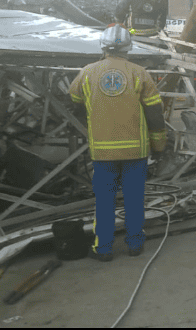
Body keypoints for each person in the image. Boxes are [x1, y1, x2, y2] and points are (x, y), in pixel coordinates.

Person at [68, 24, 166, 262]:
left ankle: (103, 249)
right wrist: (160, 145)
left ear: (103, 45)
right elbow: (154, 112)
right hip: (135, 151)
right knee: (134, 199)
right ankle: (134, 245)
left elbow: (74, 101)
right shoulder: (139, 72)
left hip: (102, 153)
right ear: (128, 47)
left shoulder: (87, 72)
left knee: (104, 201)